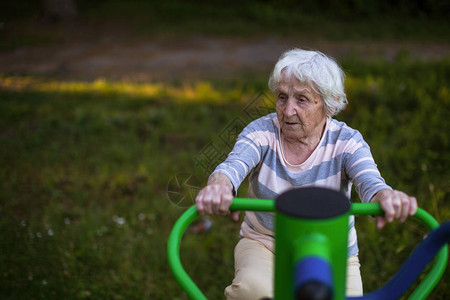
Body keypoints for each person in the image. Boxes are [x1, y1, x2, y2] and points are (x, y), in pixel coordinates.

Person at [195, 48, 417, 300]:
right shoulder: (261, 132)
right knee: (252, 291)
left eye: (301, 99)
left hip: (330, 249)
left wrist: (385, 197)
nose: (287, 111)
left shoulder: (347, 142)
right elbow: (232, 166)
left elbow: (371, 183)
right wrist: (220, 187)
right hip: (266, 244)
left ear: (328, 104)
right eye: (282, 97)